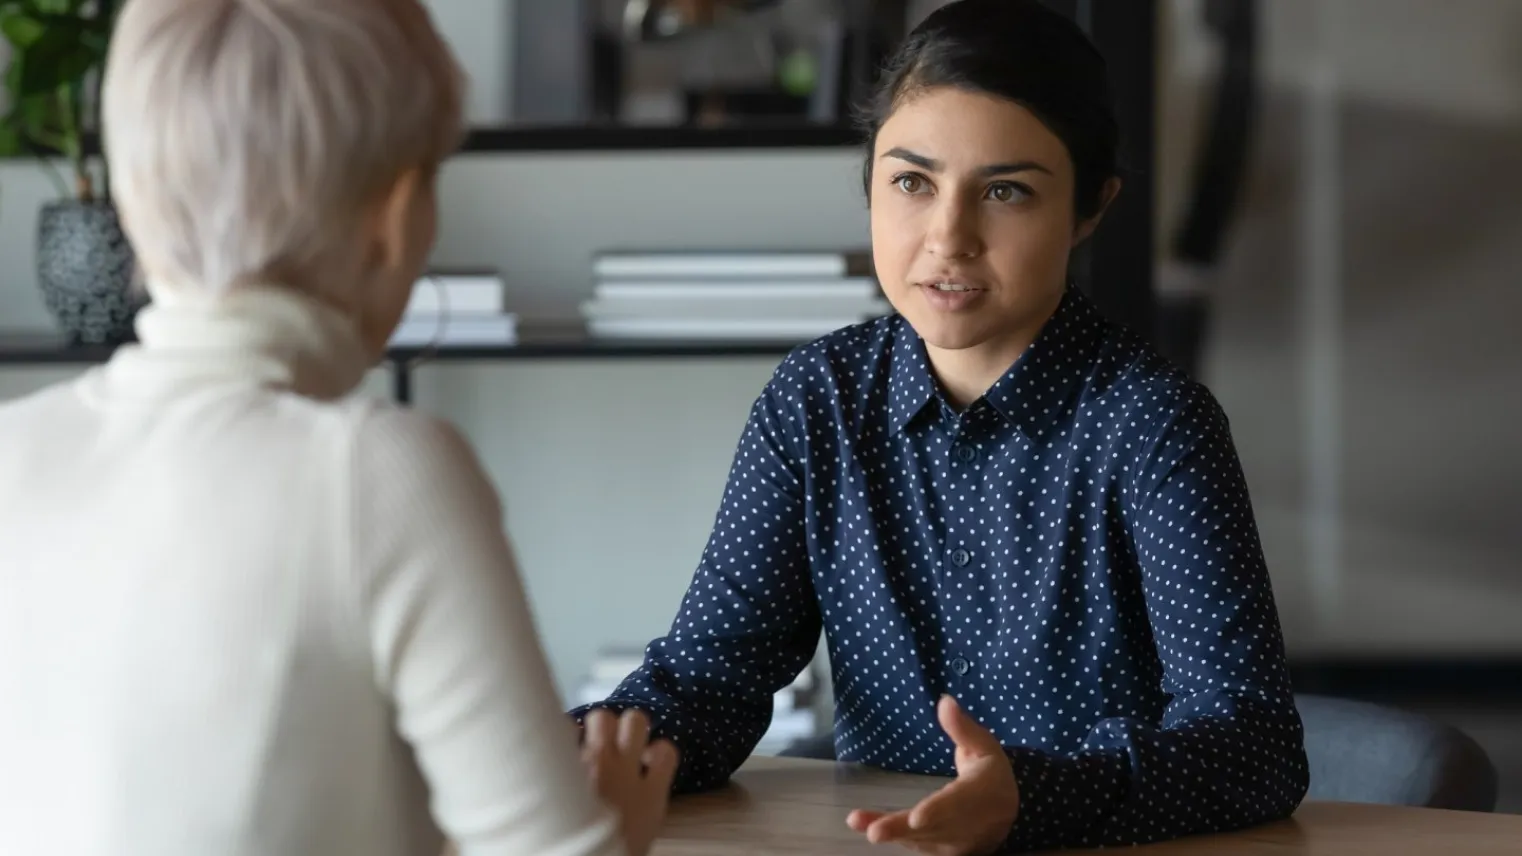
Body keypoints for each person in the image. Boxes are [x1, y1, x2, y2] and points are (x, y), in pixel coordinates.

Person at [572, 1, 1310, 853]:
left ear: (1090, 208)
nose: (948, 239)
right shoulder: (817, 400)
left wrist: (1028, 799)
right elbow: (708, 683)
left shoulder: (1153, 426)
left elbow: (1252, 747)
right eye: (912, 183)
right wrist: (551, 753)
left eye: (1006, 192)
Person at [0, 2, 674, 855]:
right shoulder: (378, 470)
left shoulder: (11, 450)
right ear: (397, 218)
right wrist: (621, 823)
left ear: (132, 199)